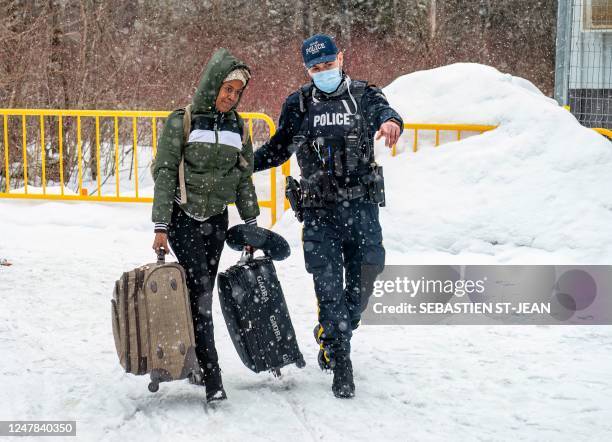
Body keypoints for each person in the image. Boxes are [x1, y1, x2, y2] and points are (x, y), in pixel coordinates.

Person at [253, 34, 403, 398]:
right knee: (329, 288)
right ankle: (340, 360)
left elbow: (386, 111)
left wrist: (391, 123)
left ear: (341, 58)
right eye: (315, 68)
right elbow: (277, 149)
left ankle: (333, 331)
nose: (323, 72)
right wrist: (243, 165)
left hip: (362, 209)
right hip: (320, 212)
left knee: (366, 277)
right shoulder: (299, 104)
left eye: (328, 64)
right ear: (307, 69)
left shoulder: (363, 94)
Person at [151, 48, 259, 402]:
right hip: (184, 219)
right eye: (226, 88)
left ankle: (196, 360)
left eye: (237, 92)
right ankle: (213, 378)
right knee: (199, 293)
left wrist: (251, 223)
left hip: (216, 221)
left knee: (203, 294)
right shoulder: (181, 121)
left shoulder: (239, 128)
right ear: (212, 85)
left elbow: (244, 178)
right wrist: (160, 226)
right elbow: (165, 173)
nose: (230, 96)